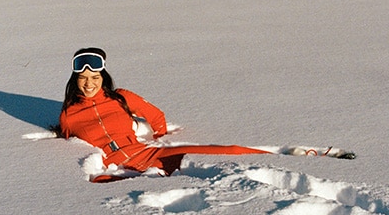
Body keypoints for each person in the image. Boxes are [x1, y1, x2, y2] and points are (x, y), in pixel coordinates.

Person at [59, 46, 313, 181]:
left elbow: (156, 116)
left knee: (231, 151)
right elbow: (69, 143)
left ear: (103, 78)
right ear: (75, 80)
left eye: (94, 77)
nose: (89, 83)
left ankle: (296, 155)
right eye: (83, 78)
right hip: (116, 170)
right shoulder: (69, 115)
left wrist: (157, 137)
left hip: (149, 152)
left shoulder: (121, 97)